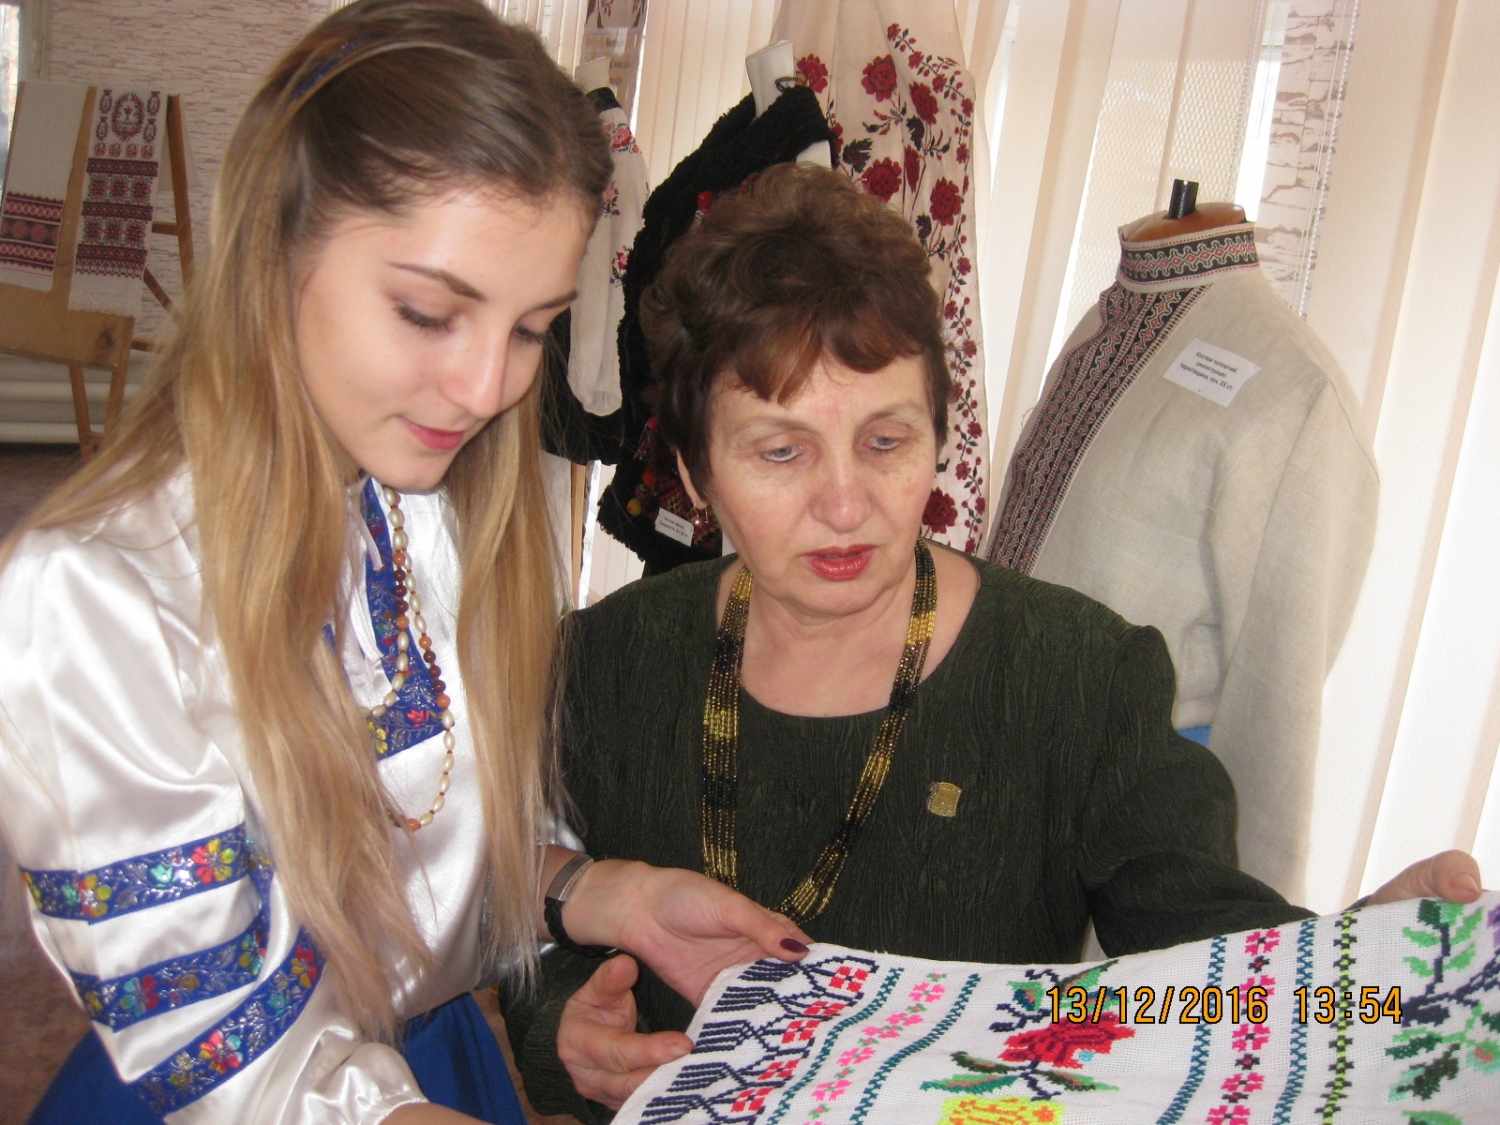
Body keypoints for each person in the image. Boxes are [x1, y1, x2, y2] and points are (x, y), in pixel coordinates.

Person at [499, 163, 1485, 1120]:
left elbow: (1201, 955)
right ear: (693, 471)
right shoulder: (606, 664)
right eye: (782, 450)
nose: (844, 503)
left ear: (938, 436)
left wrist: (1354, 976)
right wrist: (563, 1029)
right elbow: (517, 920)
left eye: (886, 442)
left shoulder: (1078, 675)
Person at [0, 4, 809, 1123]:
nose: (486, 390)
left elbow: (411, 861)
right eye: (430, 313)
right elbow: (218, 1042)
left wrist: (592, 890)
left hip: (427, 1062)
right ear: (274, 251)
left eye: (530, 329)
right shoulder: (94, 597)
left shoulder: (421, 506)